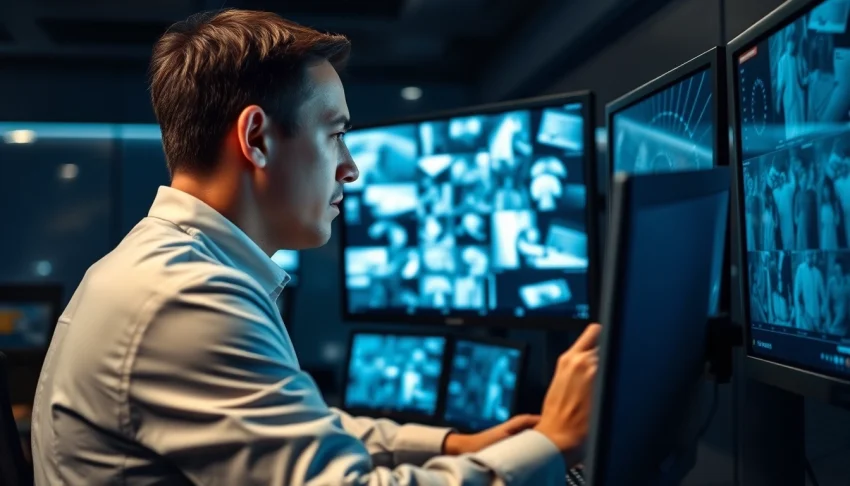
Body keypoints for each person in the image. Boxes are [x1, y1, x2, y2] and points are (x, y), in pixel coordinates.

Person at [30, 10, 600, 485]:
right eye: (336, 134)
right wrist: (552, 445)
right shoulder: (187, 296)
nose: (350, 169)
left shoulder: (165, 267)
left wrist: (453, 444)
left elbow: (291, 423)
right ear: (257, 138)